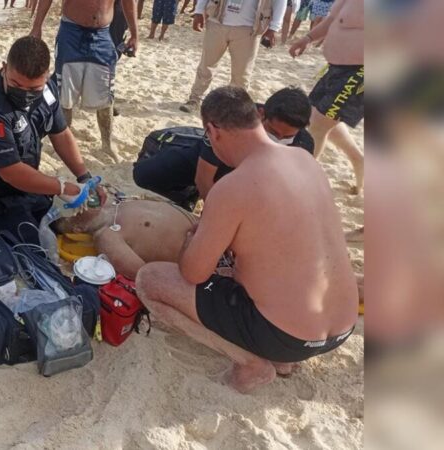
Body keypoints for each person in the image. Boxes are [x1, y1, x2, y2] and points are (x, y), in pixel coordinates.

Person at [136, 86, 358, 393]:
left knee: (151, 280)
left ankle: (250, 362)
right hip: (342, 328)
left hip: (288, 337)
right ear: (258, 117)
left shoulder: (232, 186)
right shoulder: (305, 160)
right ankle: (282, 359)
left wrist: (196, 239)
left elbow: (193, 273)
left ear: (212, 132)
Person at [0, 36, 106, 245]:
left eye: (33, 89)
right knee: (31, 244)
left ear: (45, 76)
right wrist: (62, 187)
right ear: (4, 68)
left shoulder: (47, 90)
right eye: (17, 85)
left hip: (27, 187)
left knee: (57, 226)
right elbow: (11, 172)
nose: (25, 94)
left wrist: (83, 177)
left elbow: (61, 133)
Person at [134, 87, 315, 208]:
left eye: (287, 137)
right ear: (260, 115)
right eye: (273, 132)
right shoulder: (233, 122)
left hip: (244, 178)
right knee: (143, 175)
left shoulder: (303, 145)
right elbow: (204, 179)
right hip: (198, 165)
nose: (278, 140)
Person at [30, 0, 139, 162]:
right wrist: (37, 25)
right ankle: (63, 138)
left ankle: (107, 143)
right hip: (71, 30)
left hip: (102, 33)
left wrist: (134, 33)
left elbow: (128, 2)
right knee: (65, 91)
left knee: (105, 92)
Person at [289, 0, 363, 194]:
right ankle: (358, 160)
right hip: (335, 68)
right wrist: (307, 37)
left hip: (360, 73)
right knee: (320, 118)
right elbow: (333, 19)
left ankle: (304, 183)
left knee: (318, 124)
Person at [178, 0, 288, 113]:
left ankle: (233, 106)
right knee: (206, 64)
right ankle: (194, 99)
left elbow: (280, 2)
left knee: (242, 73)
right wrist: (199, 11)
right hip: (217, 21)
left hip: (250, 28)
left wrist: (274, 28)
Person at [55, 200, 198, 279]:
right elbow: (142, 273)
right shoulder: (107, 236)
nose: (81, 199)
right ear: (78, 229)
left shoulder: (116, 203)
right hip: (202, 257)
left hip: (208, 230)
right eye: (73, 206)